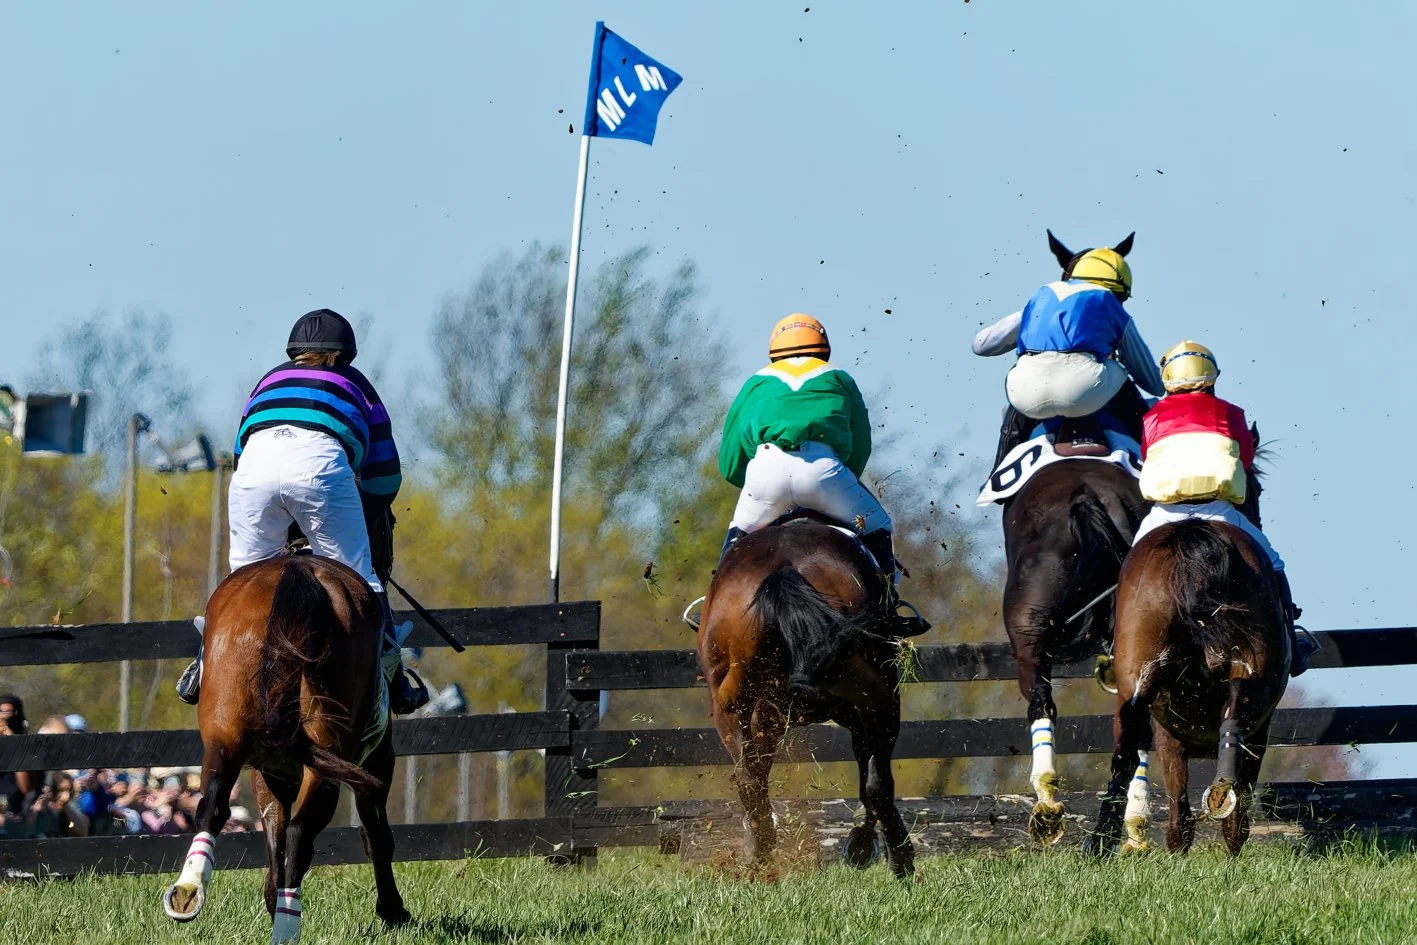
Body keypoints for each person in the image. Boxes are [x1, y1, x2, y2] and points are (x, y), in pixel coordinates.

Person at [176, 309, 428, 712]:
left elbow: (245, 449)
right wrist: (357, 516)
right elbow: (384, 479)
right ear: (345, 355)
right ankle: (394, 677)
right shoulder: (357, 384)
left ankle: (204, 664)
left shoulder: (267, 381)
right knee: (360, 578)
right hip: (319, 469)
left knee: (241, 581)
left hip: (251, 475)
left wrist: (285, 514)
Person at [713, 314, 927, 635]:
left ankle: (713, 609)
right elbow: (859, 446)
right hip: (824, 472)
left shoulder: (755, 383)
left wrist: (753, 486)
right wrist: (840, 486)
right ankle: (888, 608)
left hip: (765, 471)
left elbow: (730, 460)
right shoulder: (839, 377)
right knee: (880, 526)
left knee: (738, 535)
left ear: (773, 352)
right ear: (823, 350)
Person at [1131, 341, 1314, 676]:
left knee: (1131, 568)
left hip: (1165, 515)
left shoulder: (1151, 417)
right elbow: (1244, 461)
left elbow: (1148, 457)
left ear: (1168, 379)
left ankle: (1120, 648)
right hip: (1219, 510)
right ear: (1212, 378)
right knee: (1273, 564)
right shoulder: (1231, 414)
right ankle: (1292, 639)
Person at [972, 233, 1166, 468]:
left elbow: (981, 345)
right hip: (1086, 390)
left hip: (1027, 397)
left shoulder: (1041, 297)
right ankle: (1152, 466)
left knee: (1023, 369)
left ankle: (1001, 464)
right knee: (1120, 371)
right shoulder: (1109, 303)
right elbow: (1151, 382)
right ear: (1119, 289)